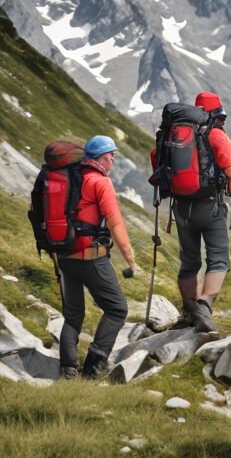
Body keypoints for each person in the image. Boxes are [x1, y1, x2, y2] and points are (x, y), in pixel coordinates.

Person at [57, 136, 139, 380]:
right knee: (116, 309)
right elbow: (116, 224)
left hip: (63, 255)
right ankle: (93, 369)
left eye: (113, 153)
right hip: (90, 256)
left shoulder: (70, 177)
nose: (113, 157)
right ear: (98, 157)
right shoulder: (100, 182)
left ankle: (68, 371)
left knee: (73, 315)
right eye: (109, 153)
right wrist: (131, 261)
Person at [172, 92, 231, 335]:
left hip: (181, 208)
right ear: (215, 115)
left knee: (189, 262)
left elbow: (160, 167)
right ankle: (204, 308)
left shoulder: (173, 136)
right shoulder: (216, 136)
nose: (223, 122)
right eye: (222, 117)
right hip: (211, 206)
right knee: (218, 261)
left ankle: (189, 312)